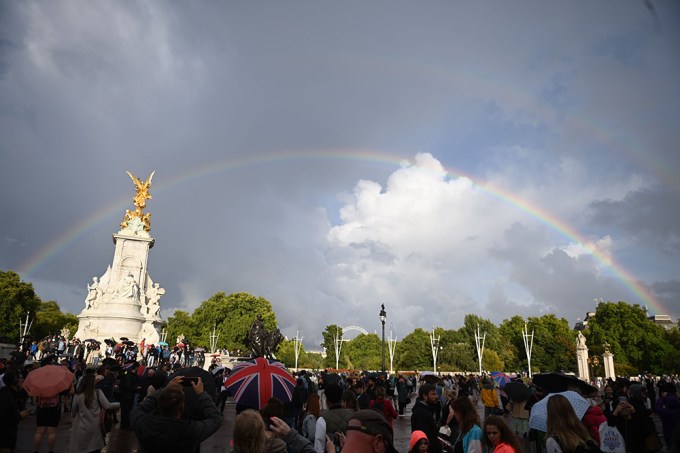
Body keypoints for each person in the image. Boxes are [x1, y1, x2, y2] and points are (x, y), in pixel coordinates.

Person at [131, 375, 223, 453]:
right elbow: (216, 419)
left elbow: (139, 408)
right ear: (182, 407)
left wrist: (165, 389)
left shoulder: (143, 423)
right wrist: (201, 394)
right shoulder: (190, 430)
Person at [69, 368, 120, 453]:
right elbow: (107, 406)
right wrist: (118, 403)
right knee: (94, 449)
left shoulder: (78, 395)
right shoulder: (97, 392)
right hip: (95, 427)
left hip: (81, 427)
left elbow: (73, 412)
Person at [314, 383, 354, 452]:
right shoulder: (352, 416)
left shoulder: (322, 419)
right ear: (341, 398)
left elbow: (319, 447)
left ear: (327, 400)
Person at [0, 371, 30, 453]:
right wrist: (19, 416)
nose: (22, 380)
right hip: (4, 436)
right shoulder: (6, 395)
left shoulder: (13, 393)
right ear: (14, 380)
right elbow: (3, 417)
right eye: (20, 378)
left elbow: (23, 395)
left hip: (10, 433)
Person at [411, 384, 442, 453]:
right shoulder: (422, 414)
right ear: (425, 396)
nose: (436, 397)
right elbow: (423, 439)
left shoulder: (426, 410)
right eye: (433, 394)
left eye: (436, 394)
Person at [655, 382, 680, 451]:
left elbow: (658, 408)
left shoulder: (667, 412)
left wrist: (663, 398)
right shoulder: (677, 405)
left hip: (669, 431)